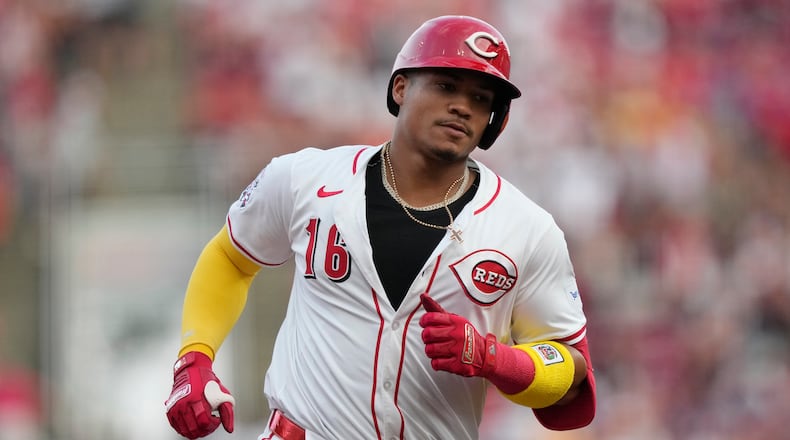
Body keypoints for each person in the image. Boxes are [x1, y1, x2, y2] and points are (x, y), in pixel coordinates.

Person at [164, 15, 596, 440]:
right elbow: (230, 258)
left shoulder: (527, 229)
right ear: (400, 86)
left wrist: (495, 359)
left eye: (481, 98)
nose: (463, 105)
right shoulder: (305, 178)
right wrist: (194, 359)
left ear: (493, 121)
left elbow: (571, 373)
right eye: (446, 85)